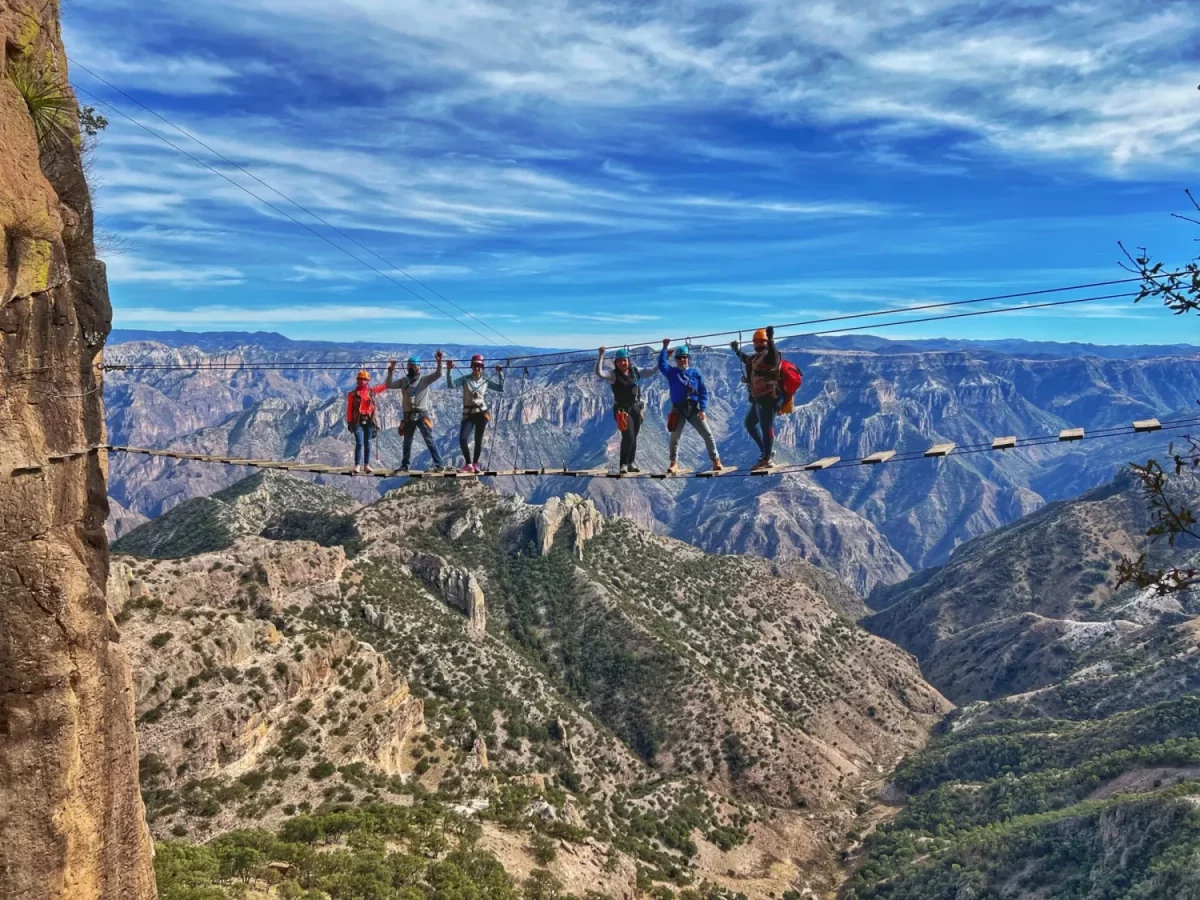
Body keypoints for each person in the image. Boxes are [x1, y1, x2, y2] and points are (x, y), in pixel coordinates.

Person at [657, 339, 721, 474]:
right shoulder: (672, 372)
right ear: (676, 360)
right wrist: (664, 347)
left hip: (694, 409)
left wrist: (703, 409)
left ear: (688, 359)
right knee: (675, 437)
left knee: (707, 434)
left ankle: (716, 460)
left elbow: (703, 391)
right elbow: (662, 364)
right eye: (679, 358)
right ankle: (674, 463)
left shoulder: (695, 373)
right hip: (678, 410)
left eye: (684, 357)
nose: (682, 360)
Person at [731, 325, 781, 470]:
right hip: (758, 398)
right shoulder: (757, 358)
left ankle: (767, 459)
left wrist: (771, 340)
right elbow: (746, 360)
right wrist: (736, 351)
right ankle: (766, 452)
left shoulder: (769, 356)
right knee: (749, 423)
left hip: (768, 398)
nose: (758, 344)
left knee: (766, 427)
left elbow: (774, 357)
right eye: (756, 342)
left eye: (761, 341)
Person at [386, 351, 447, 472]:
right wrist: (390, 371)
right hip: (408, 416)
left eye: (414, 366)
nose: (412, 368)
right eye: (410, 366)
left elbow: (438, 374)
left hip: (421, 414)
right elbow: (389, 385)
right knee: (407, 442)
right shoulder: (403, 381)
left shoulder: (425, 379)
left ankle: (439, 464)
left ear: (419, 367)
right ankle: (405, 465)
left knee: (429, 440)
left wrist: (439, 361)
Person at [447, 354, 504, 472]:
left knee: (478, 439)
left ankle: (475, 464)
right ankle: (468, 464)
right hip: (468, 414)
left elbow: (500, 388)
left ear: (482, 367)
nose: (477, 368)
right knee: (463, 438)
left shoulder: (486, 381)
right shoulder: (465, 379)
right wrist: (449, 370)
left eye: (479, 366)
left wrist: (500, 374)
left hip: (482, 413)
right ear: (471, 366)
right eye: (475, 366)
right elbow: (451, 384)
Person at [596, 346, 645, 474]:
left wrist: (664, 352)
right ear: (616, 363)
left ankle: (631, 463)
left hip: (636, 408)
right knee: (628, 435)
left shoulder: (635, 371)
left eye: (625, 360)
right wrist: (601, 354)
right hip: (622, 410)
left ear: (628, 360)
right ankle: (623, 464)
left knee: (634, 436)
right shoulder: (613, 375)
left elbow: (652, 370)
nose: (623, 363)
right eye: (620, 361)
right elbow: (599, 373)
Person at [346, 369, 387, 473]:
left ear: (367, 381)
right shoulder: (352, 394)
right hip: (357, 421)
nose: (361, 381)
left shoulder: (372, 392)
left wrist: (390, 372)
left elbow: (385, 386)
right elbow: (349, 409)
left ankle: (367, 465)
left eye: (363, 379)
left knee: (367, 443)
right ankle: (357, 465)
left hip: (369, 421)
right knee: (359, 443)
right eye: (359, 379)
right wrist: (349, 422)